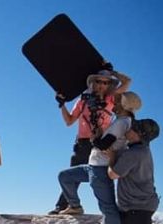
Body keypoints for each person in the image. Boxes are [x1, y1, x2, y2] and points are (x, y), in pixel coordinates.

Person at [57, 92, 142, 224]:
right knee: (65, 176)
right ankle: (75, 206)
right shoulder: (121, 121)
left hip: (101, 169)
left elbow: (103, 144)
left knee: (108, 207)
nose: (114, 103)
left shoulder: (122, 122)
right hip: (93, 166)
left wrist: (95, 137)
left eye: (118, 101)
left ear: (124, 105)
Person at [50, 65, 131, 215]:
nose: (101, 85)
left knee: (103, 177)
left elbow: (127, 82)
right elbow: (69, 121)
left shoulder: (111, 99)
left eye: (105, 82)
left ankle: (114, 210)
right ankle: (65, 206)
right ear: (93, 82)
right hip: (82, 144)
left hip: (101, 144)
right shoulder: (83, 101)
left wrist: (112, 72)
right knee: (71, 176)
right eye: (99, 81)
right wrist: (62, 105)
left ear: (109, 85)